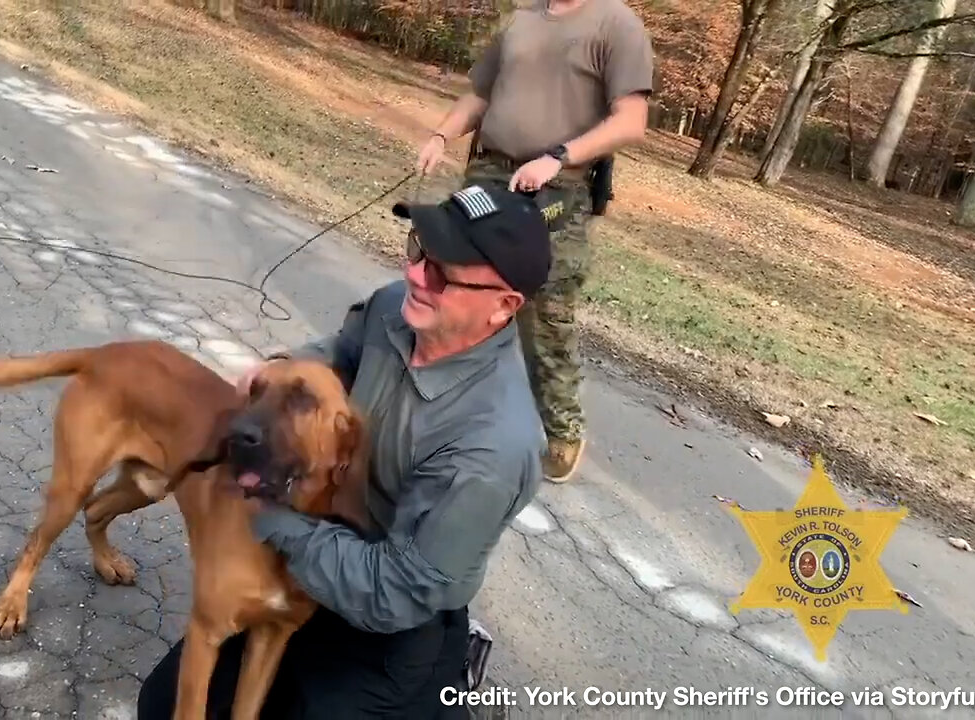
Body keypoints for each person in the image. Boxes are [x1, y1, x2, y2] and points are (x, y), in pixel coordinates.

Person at [137, 181, 553, 718]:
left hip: (386, 607)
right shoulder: (395, 309)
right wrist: (284, 368)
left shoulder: (493, 445)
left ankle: (452, 678)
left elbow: (394, 592)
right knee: (163, 705)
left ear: (503, 307)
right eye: (417, 248)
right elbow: (342, 352)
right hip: (319, 537)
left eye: (442, 273)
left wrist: (269, 519)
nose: (415, 274)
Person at [416, 0, 654, 484]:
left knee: (544, 312)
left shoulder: (616, 23)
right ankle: (439, 404)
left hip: (556, 186)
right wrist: (441, 135)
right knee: (455, 284)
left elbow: (631, 120)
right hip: (489, 172)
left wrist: (558, 156)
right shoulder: (520, 18)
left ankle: (562, 431)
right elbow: (480, 95)